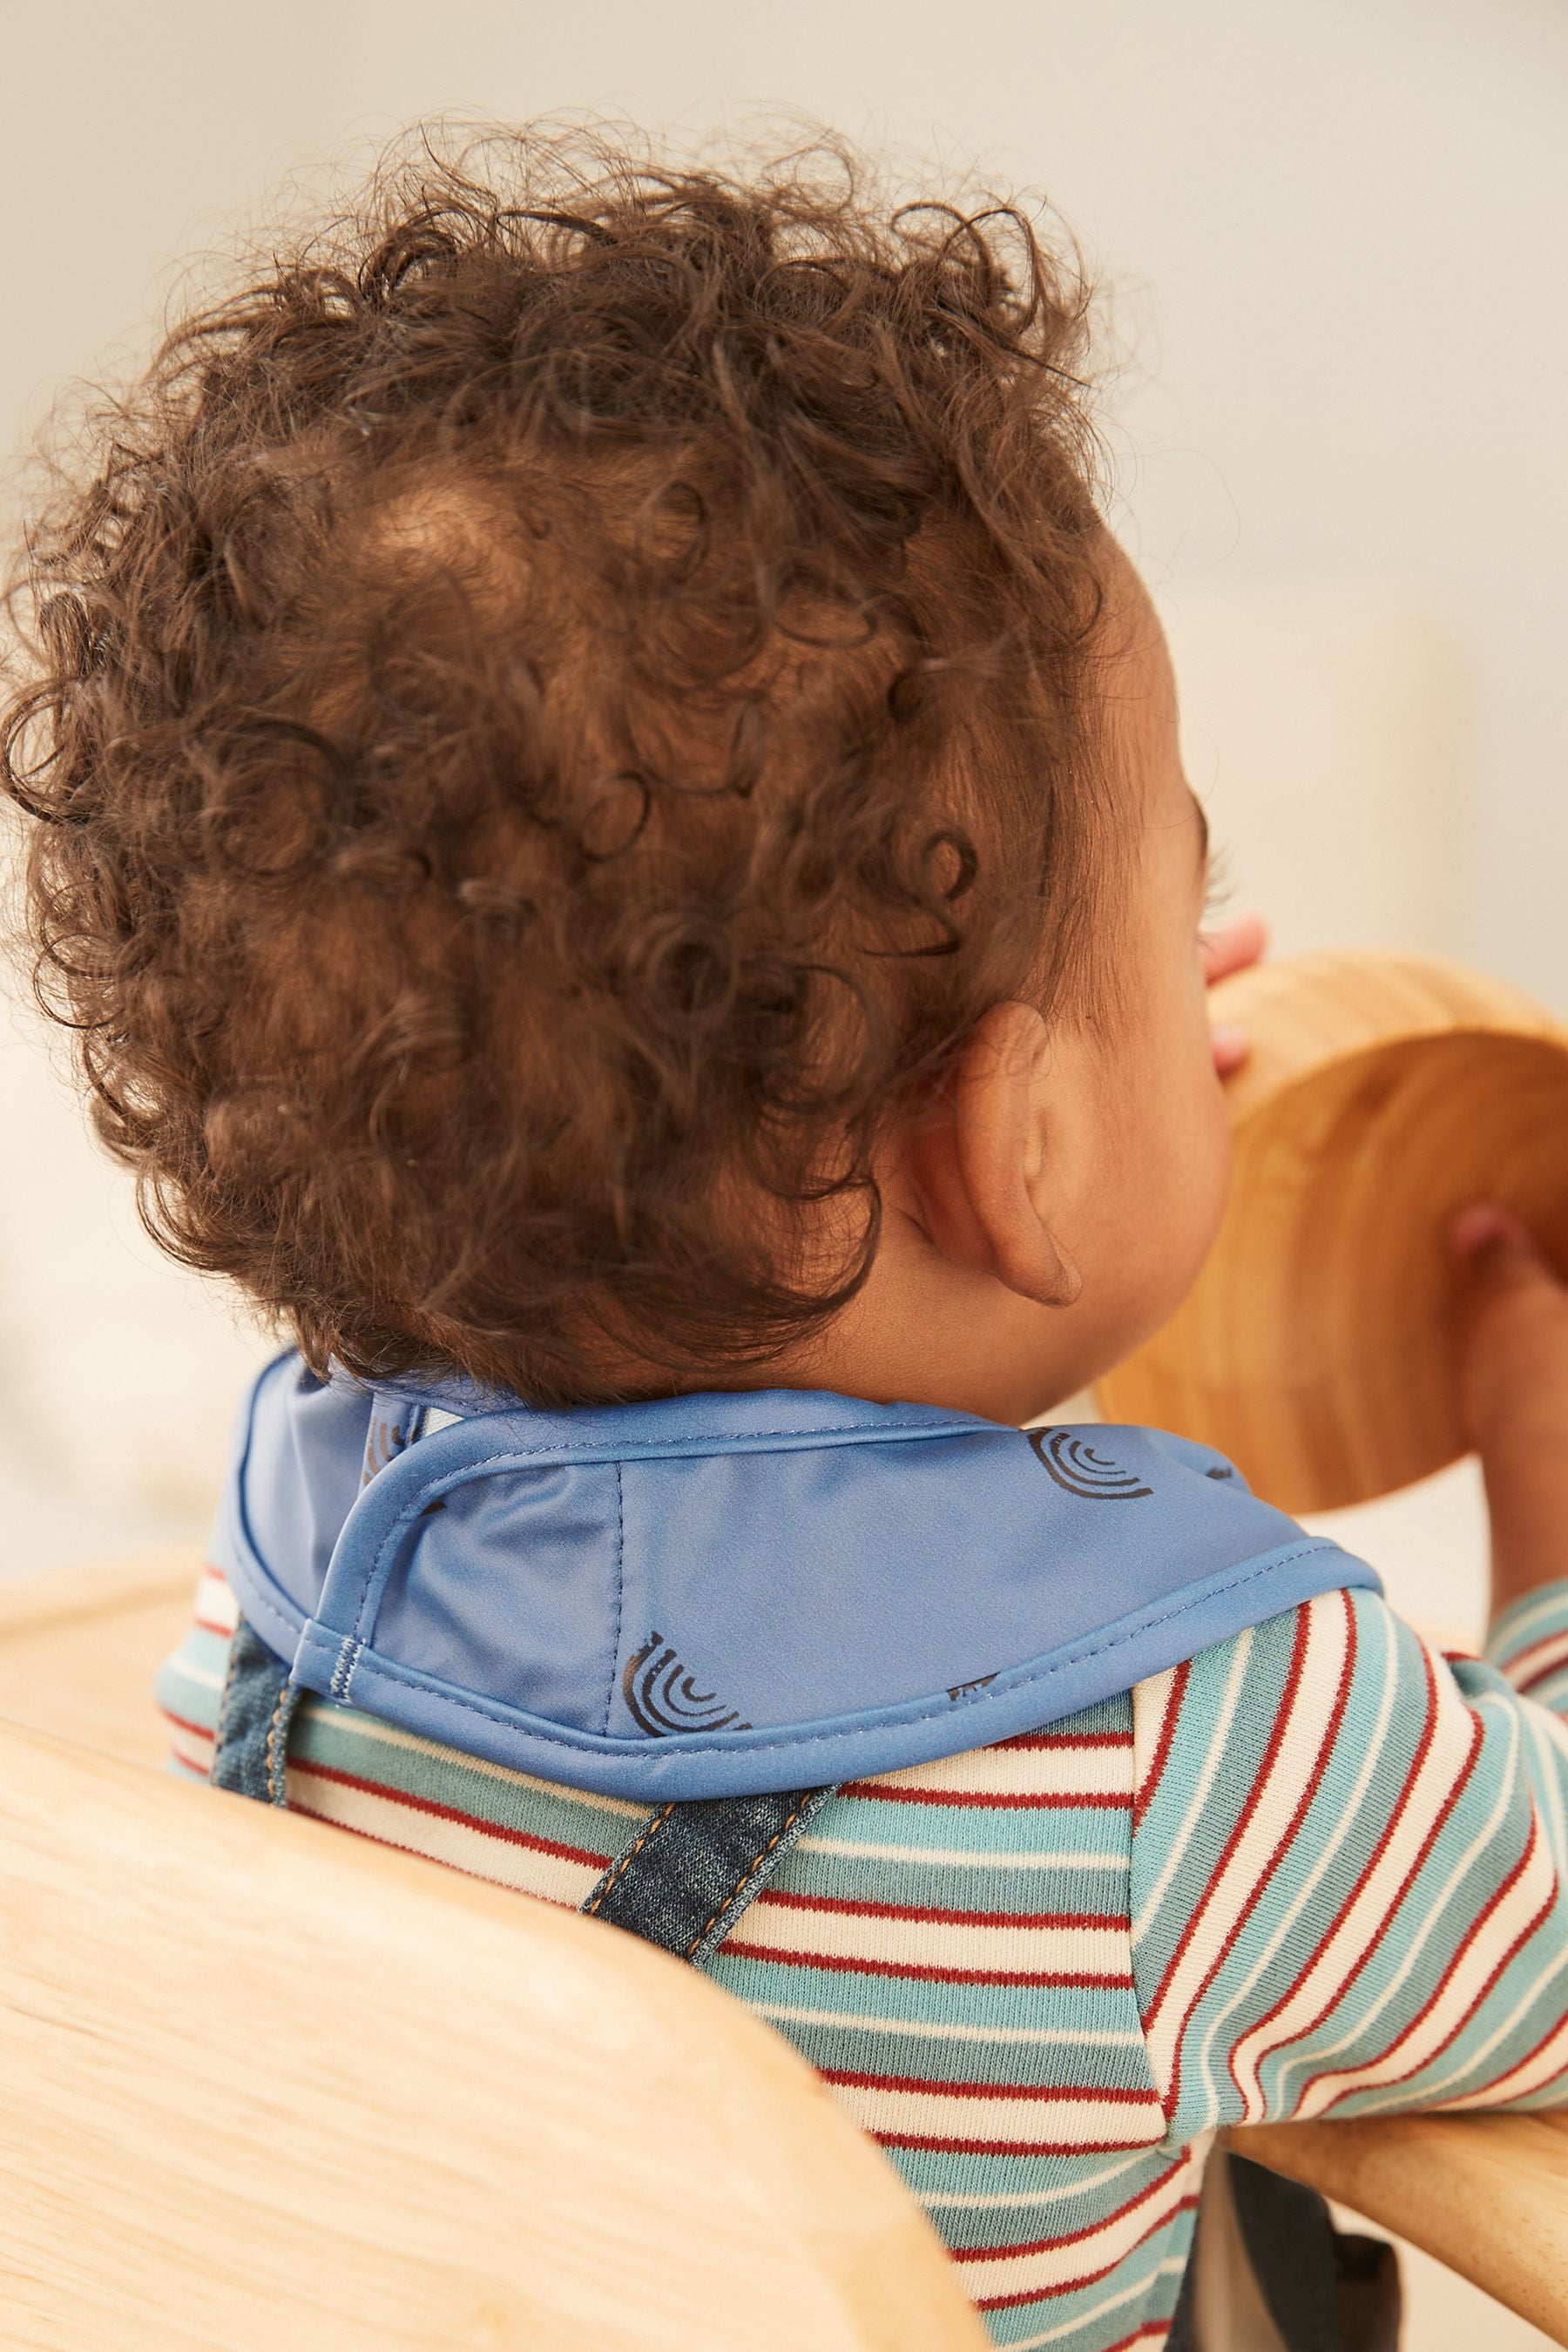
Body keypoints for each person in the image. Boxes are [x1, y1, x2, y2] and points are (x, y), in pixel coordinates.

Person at [6, 125, 1568, 2352]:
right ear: (1011, 1152)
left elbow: (770, 1505)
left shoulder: (281, 1588)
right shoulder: (1219, 1750)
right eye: (1172, 883)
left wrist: (1042, 1243)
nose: (1218, 933)